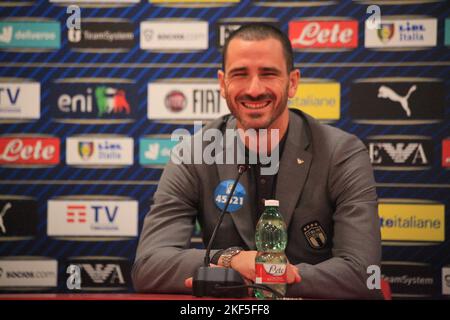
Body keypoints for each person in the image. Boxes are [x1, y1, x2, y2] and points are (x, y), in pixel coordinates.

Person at [132, 23, 382, 299]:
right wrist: (231, 259)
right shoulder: (192, 153)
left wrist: (265, 275)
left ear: (293, 82)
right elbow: (149, 265)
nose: (254, 89)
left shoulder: (341, 153)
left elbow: (363, 274)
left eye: (269, 74)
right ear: (222, 84)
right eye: (240, 74)